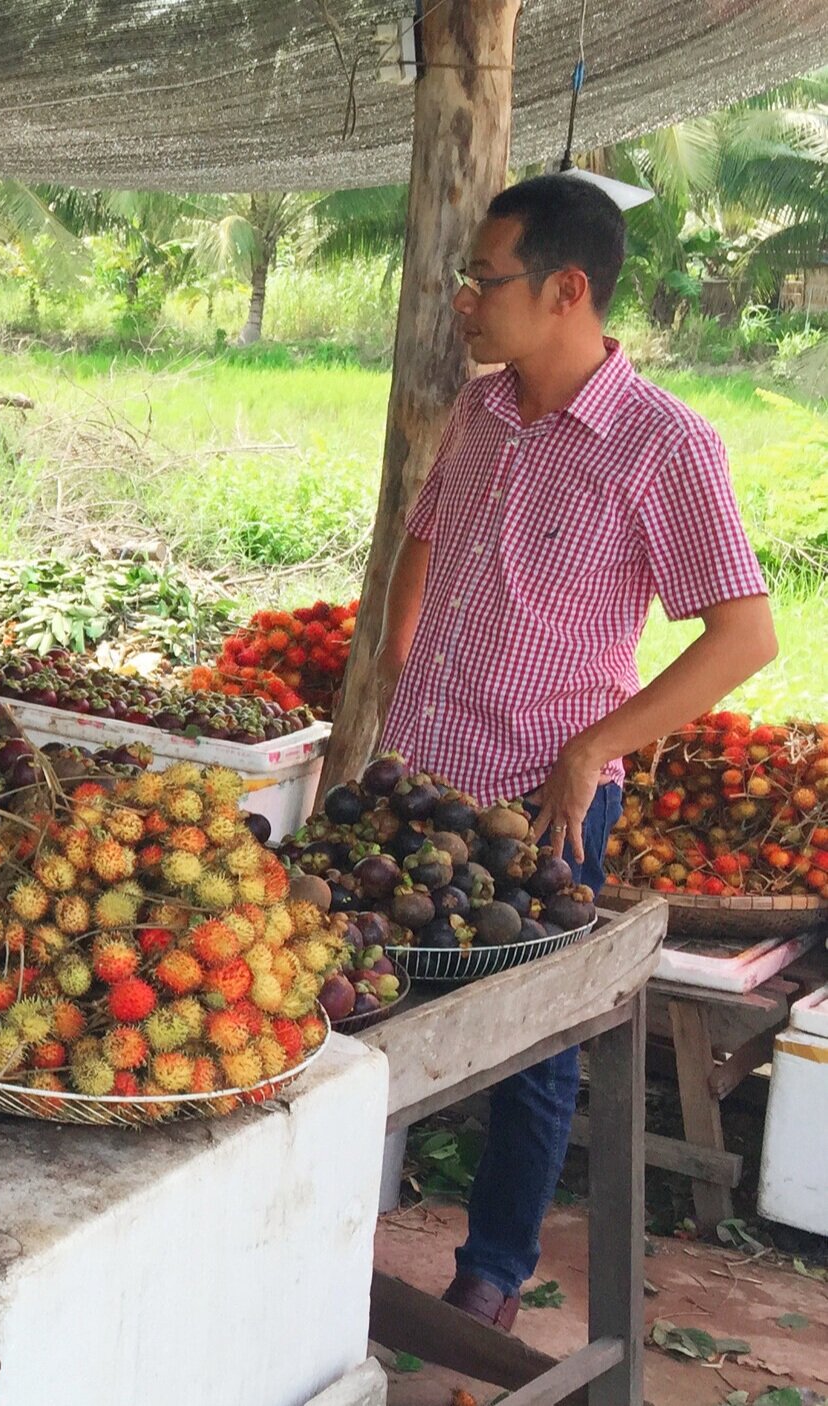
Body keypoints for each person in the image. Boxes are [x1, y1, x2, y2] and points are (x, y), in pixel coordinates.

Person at [377, 174, 777, 1331]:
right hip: (416, 779)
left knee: (534, 1048)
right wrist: (405, 663)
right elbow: (424, 535)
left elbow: (746, 633)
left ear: (565, 290)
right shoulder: (479, 413)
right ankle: (338, 1226)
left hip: (539, 804)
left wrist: (597, 741)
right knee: (369, 1008)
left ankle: (491, 1270)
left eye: (482, 277)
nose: (461, 299)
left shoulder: (663, 447)